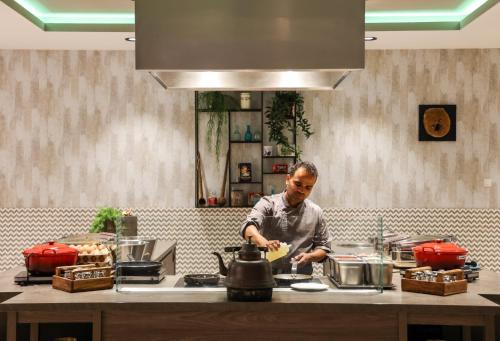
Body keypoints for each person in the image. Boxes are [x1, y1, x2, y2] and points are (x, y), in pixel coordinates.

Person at [240, 161, 331, 275]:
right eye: (298, 184)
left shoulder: (316, 212)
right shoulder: (268, 204)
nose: (302, 190)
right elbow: (247, 227)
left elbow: (324, 247)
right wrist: (264, 243)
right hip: (266, 277)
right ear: (288, 179)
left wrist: (310, 257)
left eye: (308, 187)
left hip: (302, 279)